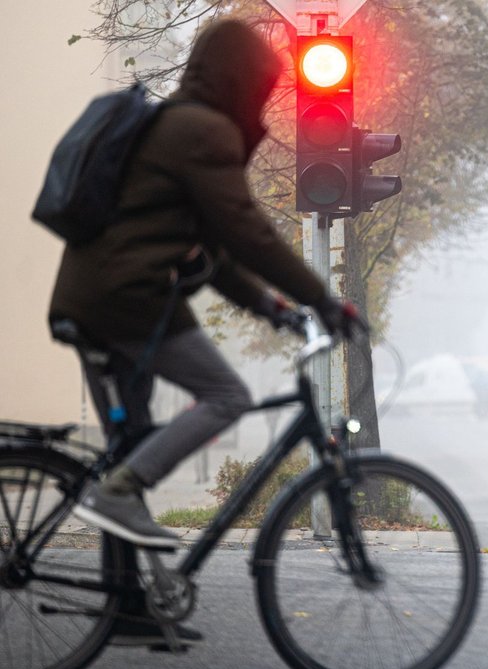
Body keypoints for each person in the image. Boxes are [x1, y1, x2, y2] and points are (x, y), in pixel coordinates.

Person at [53, 21, 357, 551]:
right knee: (226, 395)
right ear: (242, 80)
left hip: (101, 295)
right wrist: (321, 300)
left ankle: (129, 607)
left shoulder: (175, 124)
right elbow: (246, 232)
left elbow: (213, 254)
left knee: (129, 450)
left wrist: (271, 306)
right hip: (127, 301)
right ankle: (120, 495)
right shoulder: (202, 130)